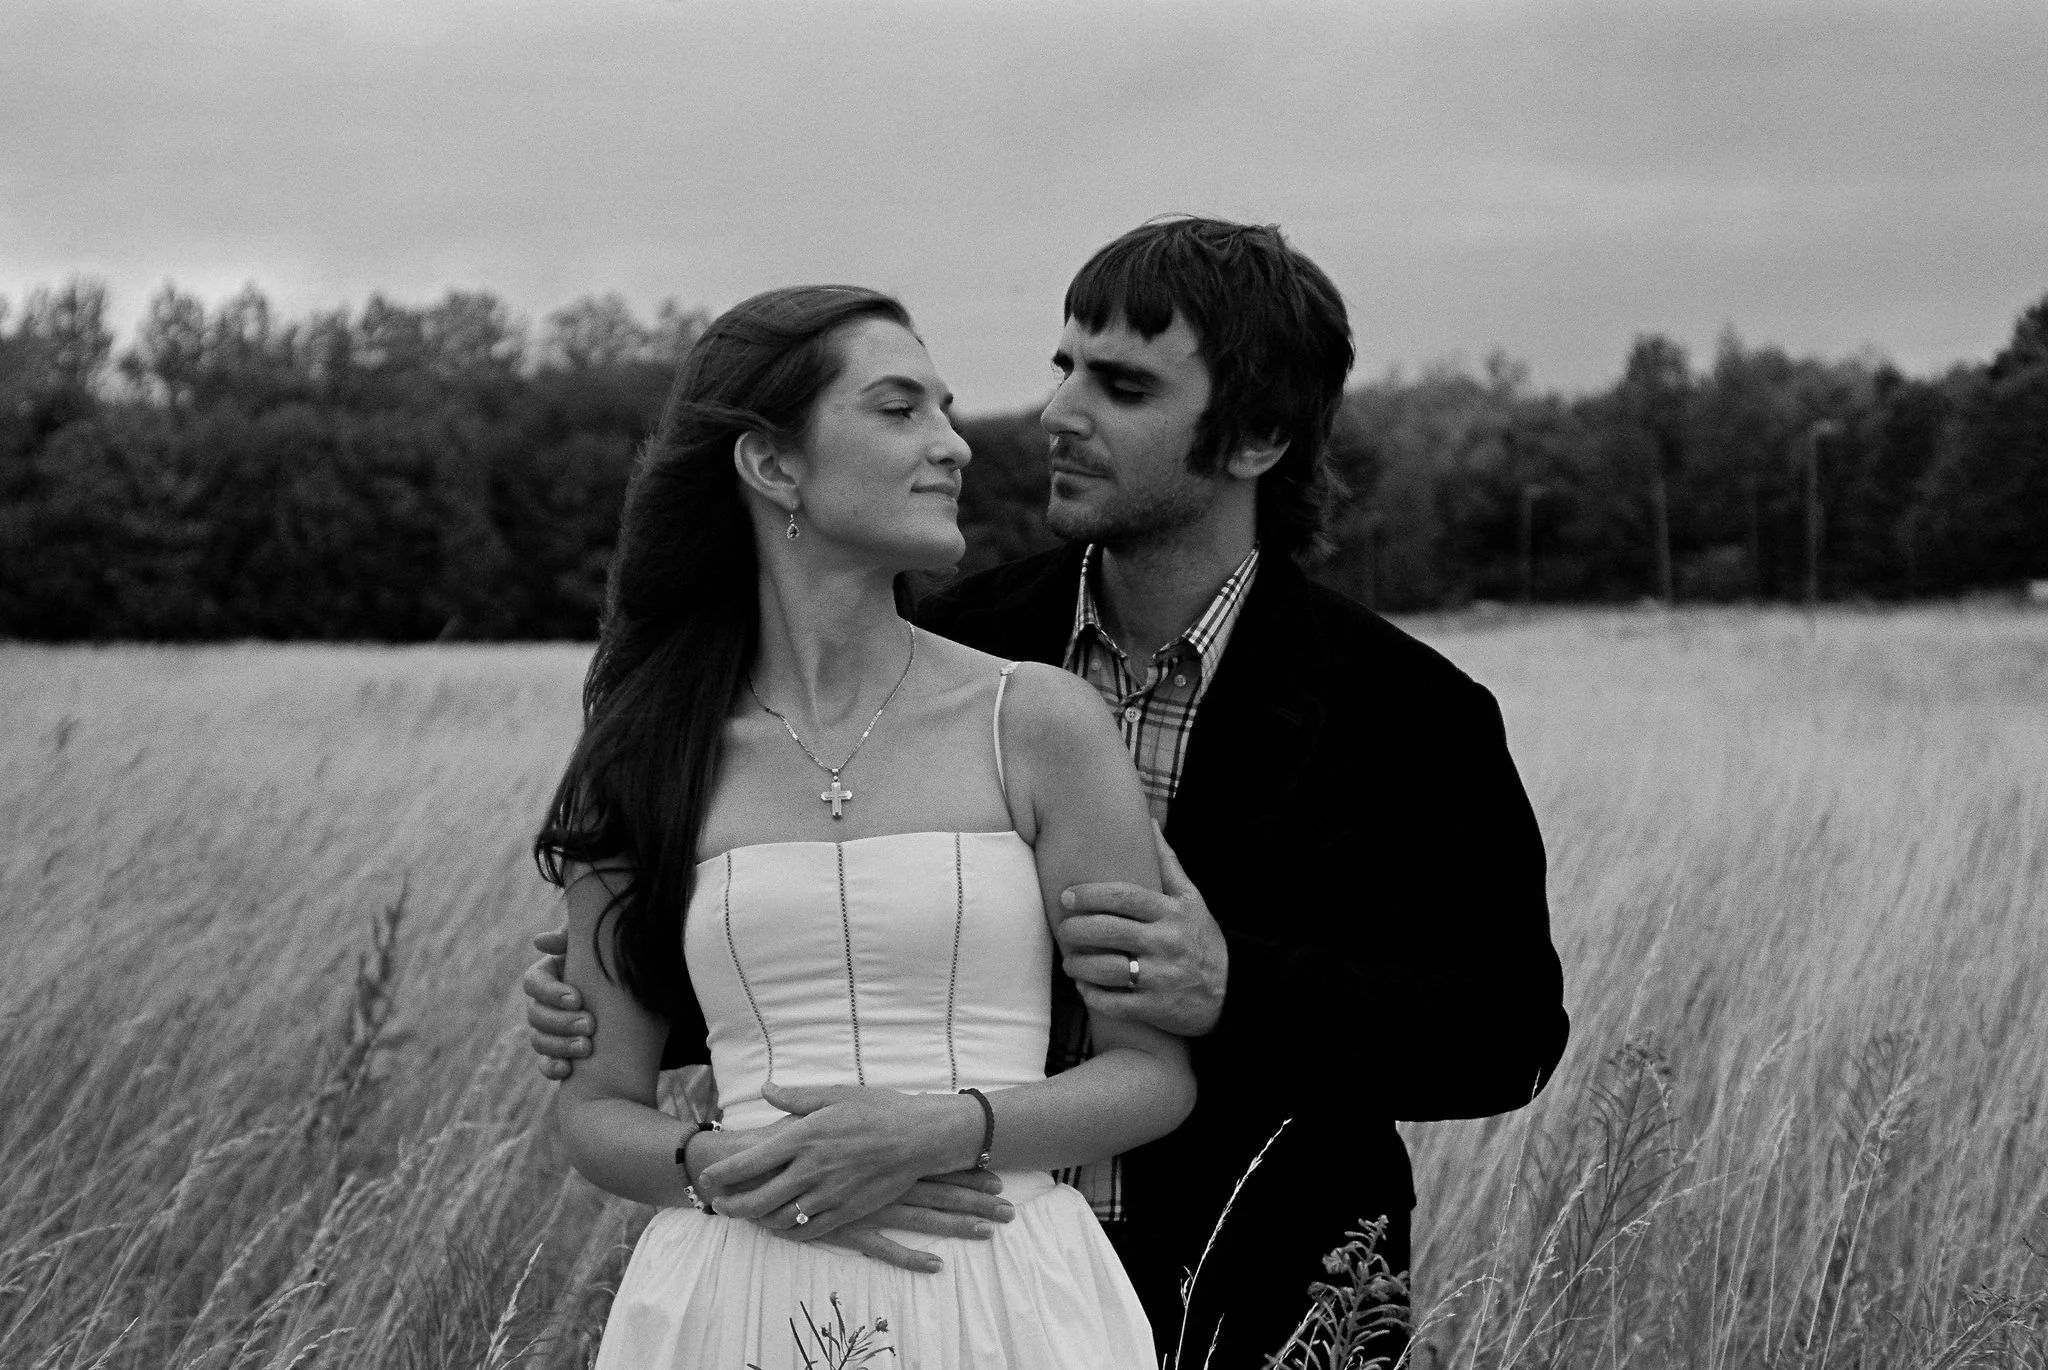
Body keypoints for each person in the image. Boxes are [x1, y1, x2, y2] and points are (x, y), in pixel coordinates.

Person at [529, 218, 1570, 1364]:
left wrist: (1232, 985)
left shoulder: (1406, 712)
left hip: (1251, 1284)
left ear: (1258, 435)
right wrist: (623, 980)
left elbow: (1503, 1036)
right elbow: (851, 927)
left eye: (1119, 385)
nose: (1057, 414)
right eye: (1061, 367)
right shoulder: (958, 638)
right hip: (888, 1273)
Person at [534, 283, 1194, 1369]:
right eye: (899, 410)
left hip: (1000, 1287)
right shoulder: (646, 748)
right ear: (773, 465)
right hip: (731, 1292)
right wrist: (723, 1166)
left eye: (943, 410)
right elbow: (597, 1103)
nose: (953, 446)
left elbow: (1150, 1073)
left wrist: (945, 1128)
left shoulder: (1034, 721)